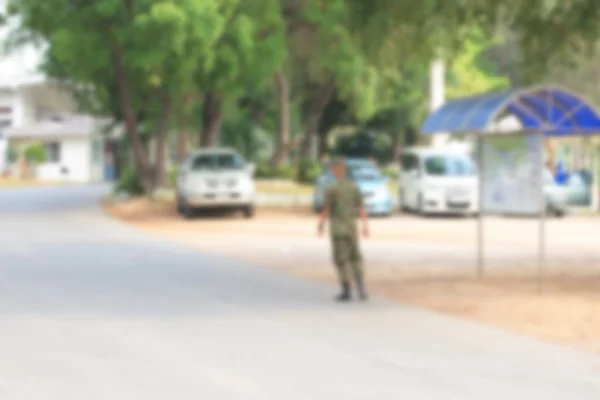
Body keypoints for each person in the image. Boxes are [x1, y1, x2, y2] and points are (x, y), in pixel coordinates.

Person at [318, 157, 369, 301]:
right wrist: (365, 226)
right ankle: (361, 289)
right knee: (356, 258)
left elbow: (326, 209)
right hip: (352, 228)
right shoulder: (354, 187)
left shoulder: (331, 188)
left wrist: (321, 224)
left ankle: (346, 290)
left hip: (338, 228)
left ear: (336, 170)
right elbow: (361, 208)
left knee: (341, 259)